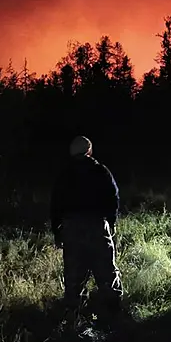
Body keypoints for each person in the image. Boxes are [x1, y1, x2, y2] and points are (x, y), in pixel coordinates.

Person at [50, 135, 123, 319]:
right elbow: (113, 197)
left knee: (74, 274)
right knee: (106, 269)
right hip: (96, 225)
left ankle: (74, 315)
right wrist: (111, 222)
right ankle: (114, 312)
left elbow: (56, 204)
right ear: (89, 151)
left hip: (71, 228)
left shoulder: (65, 175)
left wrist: (57, 231)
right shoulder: (100, 171)